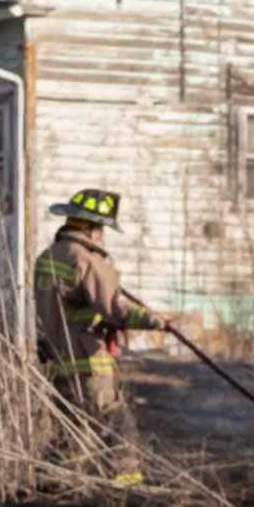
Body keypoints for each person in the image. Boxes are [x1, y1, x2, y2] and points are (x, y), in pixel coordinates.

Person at [34, 189, 166, 486]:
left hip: (57, 359)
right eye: (101, 229)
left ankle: (51, 483)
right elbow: (115, 310)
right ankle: (126, 486)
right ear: (91, 228)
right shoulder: (88, 261)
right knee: (117, 424)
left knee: (70, 427)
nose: (102, 236)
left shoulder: (47, 258)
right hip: (88, 360)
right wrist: (155, 321)